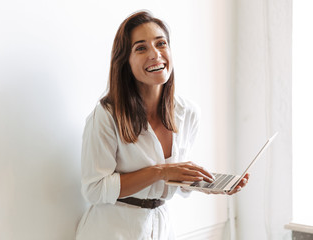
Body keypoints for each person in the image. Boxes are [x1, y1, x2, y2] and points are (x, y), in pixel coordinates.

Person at [75, 10, 249, 240]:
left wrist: (204, 182)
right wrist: (161, 172)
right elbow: (94, 189)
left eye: (161, 43)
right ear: (125, 61)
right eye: (141, 48)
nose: (155, 54)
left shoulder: (188, 113)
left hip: (161, 228)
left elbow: (172, 181)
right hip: (112, 230)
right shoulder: (107, 115)